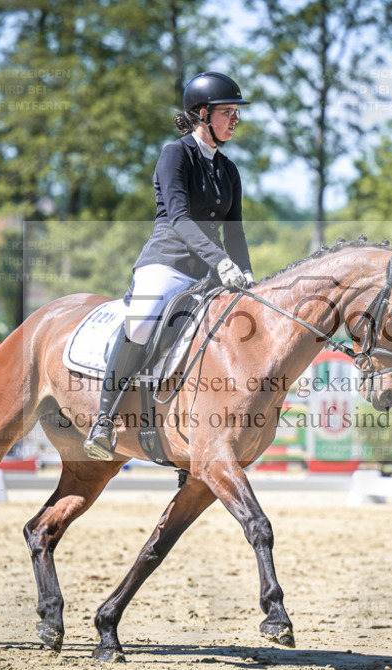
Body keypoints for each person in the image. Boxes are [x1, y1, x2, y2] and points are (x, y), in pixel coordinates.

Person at [84, 71, 255, 460]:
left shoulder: (229, 170)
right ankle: (104, 420)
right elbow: (178, 218)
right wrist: (221, 261)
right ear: (201, 113)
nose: (235, 119)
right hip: (167, 263)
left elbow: (236, 231)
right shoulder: (174, 154)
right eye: (227, 112)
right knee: (143, 320)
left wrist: (245, 272)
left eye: (235, 113)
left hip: (210, 275)